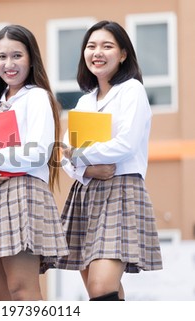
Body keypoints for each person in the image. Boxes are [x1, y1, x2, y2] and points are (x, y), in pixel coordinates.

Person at [0, 24, 69, 301]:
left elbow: (38, 153)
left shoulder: (37, 97)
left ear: (31, 59)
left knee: (22, 290)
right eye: (2, 56)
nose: (9, 64)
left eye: (17, 56)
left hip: (21, 195)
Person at [57, 20, 163, 301]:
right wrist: (87, 168)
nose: (97, 52)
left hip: (121, 190)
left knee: (101, 286)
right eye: (91, 46)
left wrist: (81, 155)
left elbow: (125, 144)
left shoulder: (132, 90)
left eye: (107, 46)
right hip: (86, 193)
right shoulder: (85, 101)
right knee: (100, 289)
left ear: (123, 54)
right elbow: (64, 155)